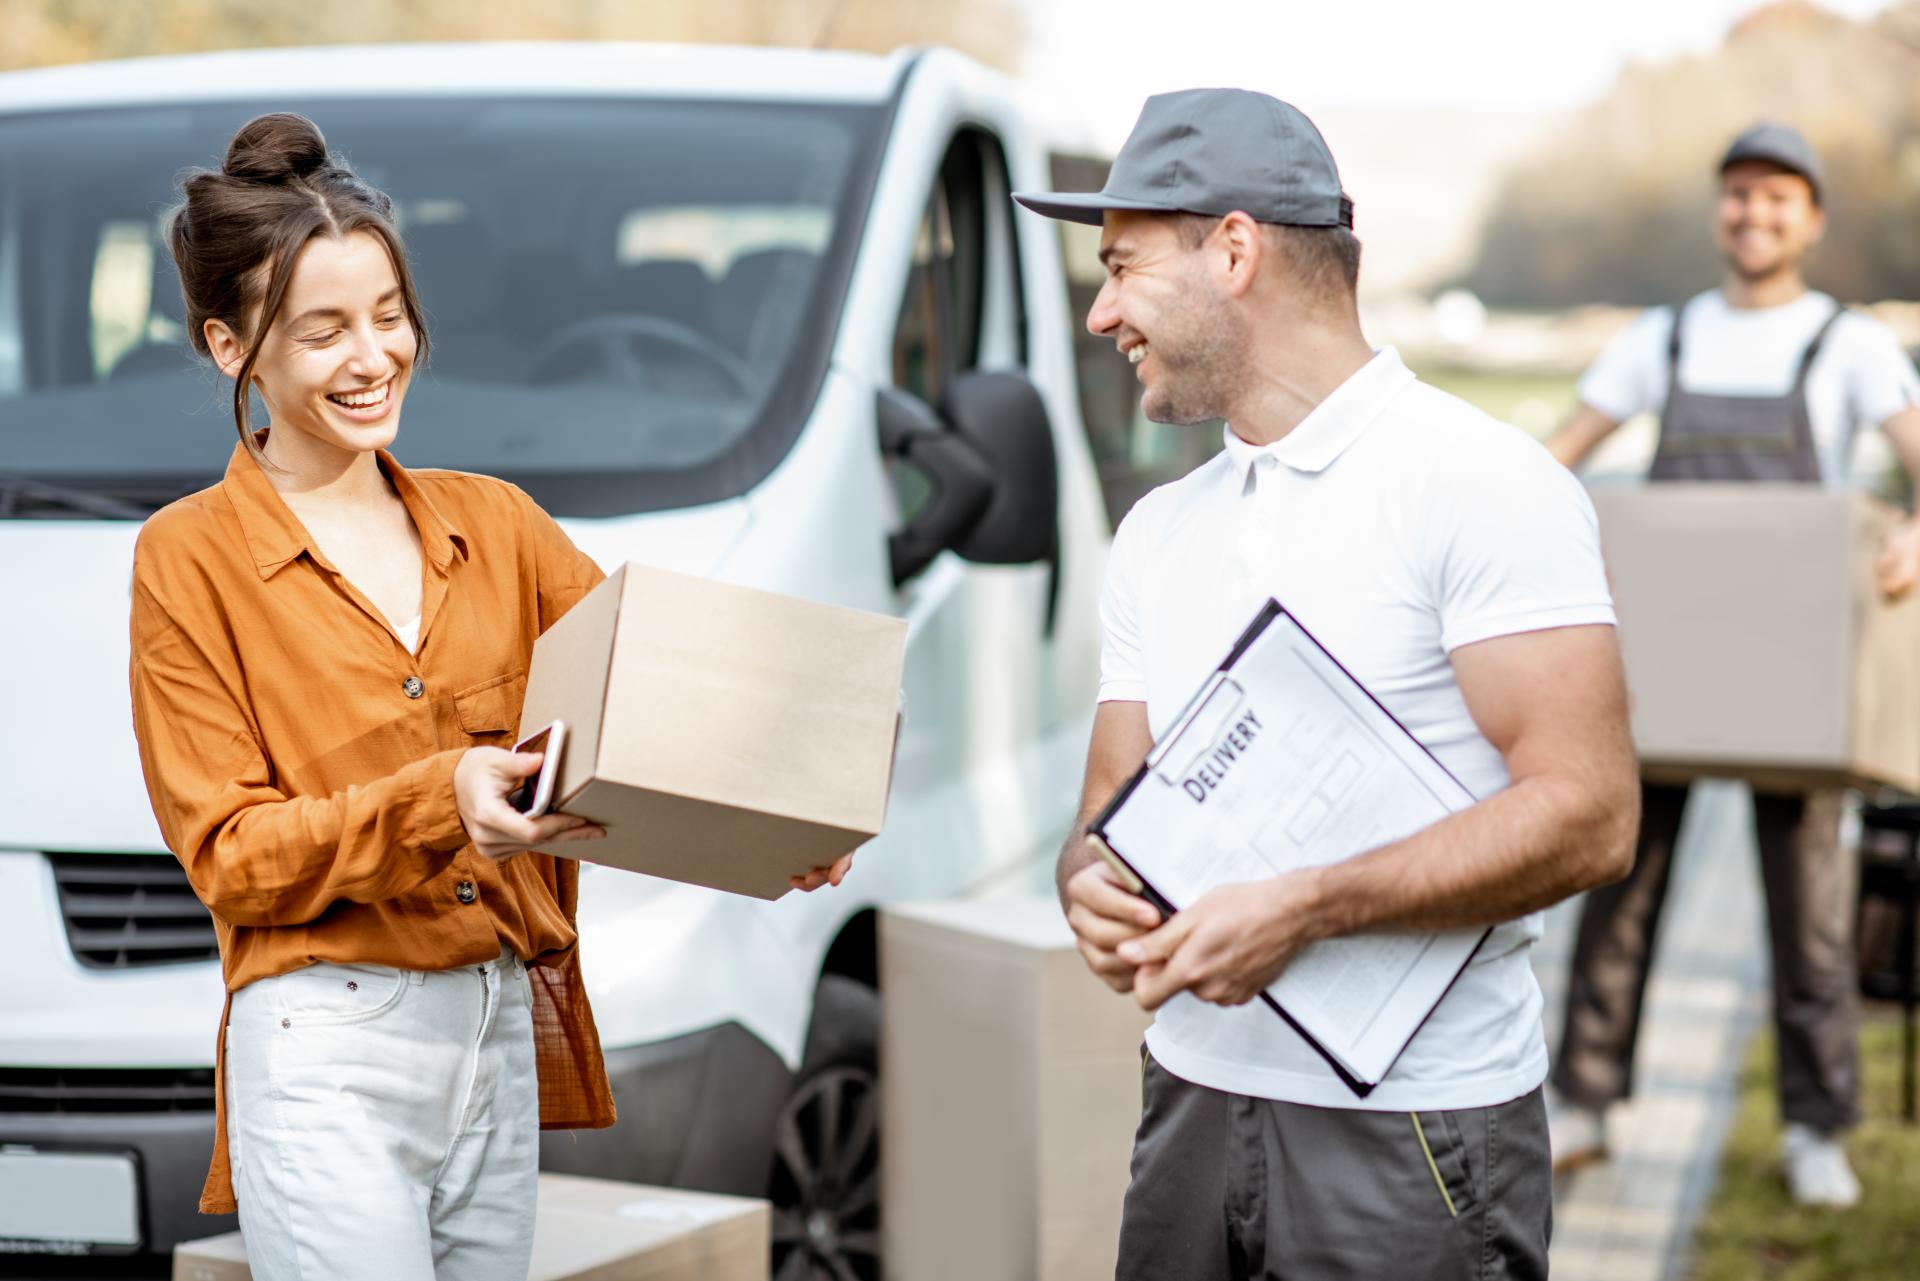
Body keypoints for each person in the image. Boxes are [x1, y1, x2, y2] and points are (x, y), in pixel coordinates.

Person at [129, 113, 852, 1281]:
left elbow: (659, 695)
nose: (374, 356)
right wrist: (440, 800)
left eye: (388, 315)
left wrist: (782, 811)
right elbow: (230, 853)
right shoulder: (189, 558)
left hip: (496, 1030)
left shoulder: (499, 527)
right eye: (322, 333)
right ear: (232, 349)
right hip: (328, 1045)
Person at [1015, 90, 1639, 1279]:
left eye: (1121, 267)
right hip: (1189, 1107)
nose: (1100, 313)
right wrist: (1089, 887)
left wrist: (1307, 907)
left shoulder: (1480, 485)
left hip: (1415, 1135)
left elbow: (1592, 815)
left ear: (1234, 250)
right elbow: (1106, 823)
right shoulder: (1156, 532)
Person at [1544, 121, 1920, 1206]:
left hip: (1794, 678)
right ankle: (1585, 1103)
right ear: (1721, 210)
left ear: (1812, 219)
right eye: (1738, 195)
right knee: (1615, 885)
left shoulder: (1846, 344)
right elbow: (1558, 457)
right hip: (1661, 669)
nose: (1754, 214)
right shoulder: (1660, 340)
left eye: (1777, 197)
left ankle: (1818, 1129)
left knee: (1808, 909)